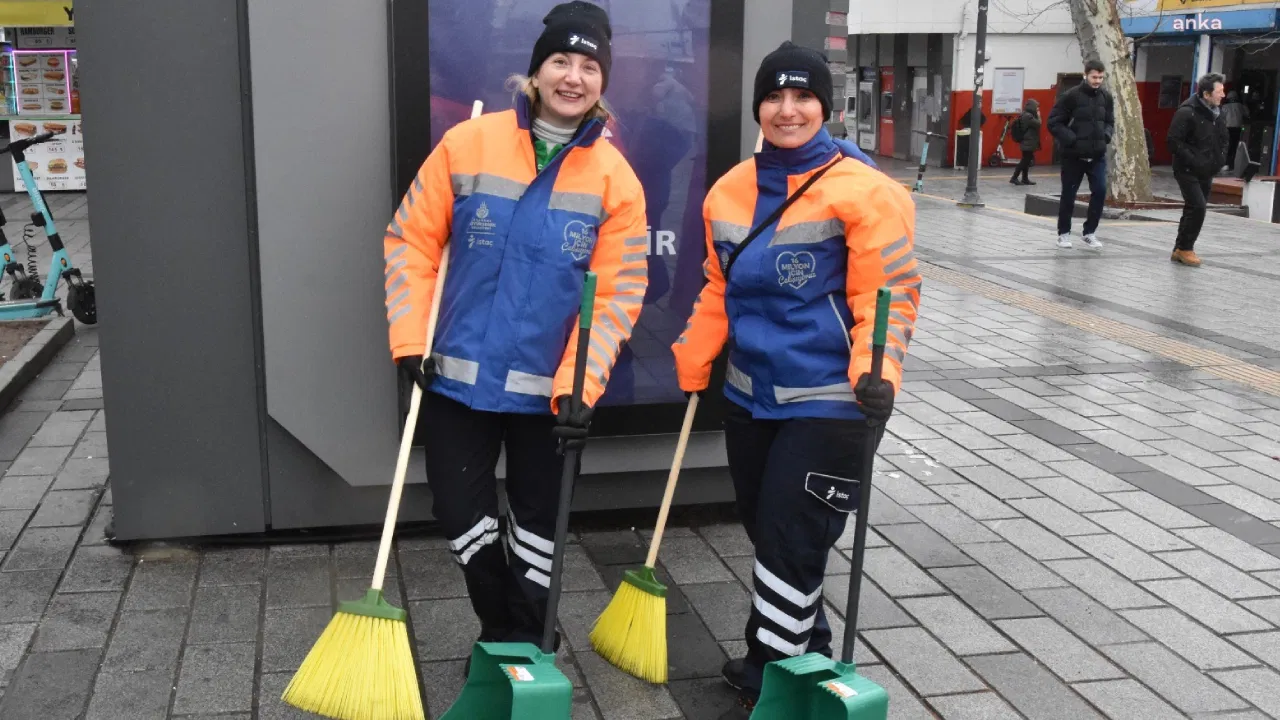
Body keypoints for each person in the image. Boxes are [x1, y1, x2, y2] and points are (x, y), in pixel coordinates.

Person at [382, 0, 648, 665]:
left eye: (589, 66)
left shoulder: (616, 178)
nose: (573, 76)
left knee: (537, 529)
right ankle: (508, 623)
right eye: (561, 59)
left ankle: (526, 650)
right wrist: (410, 338)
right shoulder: (468, 143)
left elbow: (617, 295)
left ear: (602, 82)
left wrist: (581, 386)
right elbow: (410, 242)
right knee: (460, 516)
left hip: (548, 393)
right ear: (536, 70)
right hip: (457, 378)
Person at [671, 41, 920, 717]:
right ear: (759, 107)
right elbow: (718, 286)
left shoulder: (869, 192)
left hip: (834, 401)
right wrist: (696, 352)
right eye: (774, 97)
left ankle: (773, 676)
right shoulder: (729, 190)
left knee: (790, 535)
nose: (788, 110)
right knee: (766, 525)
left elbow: (890, 295)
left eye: (803, 96)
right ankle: (804, 646)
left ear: (826, 107)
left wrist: (880, 369)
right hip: (752, 396)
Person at [1048, 58, 1113, 250]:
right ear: (1086, 75)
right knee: (1069, 194)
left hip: (1097, 155)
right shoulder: (1071, 96)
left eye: (1101, 77)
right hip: (1073, 156)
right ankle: (1064, 234)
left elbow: (1110, 121)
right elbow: (1053, 122)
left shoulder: (1106, 97)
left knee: (1100, 191)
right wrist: (1072, 139)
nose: (1097, 81)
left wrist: (1106, 136)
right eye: (1094, 77)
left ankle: (1090, 232)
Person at [1167, 73, 1228, 268]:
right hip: (1186, 169)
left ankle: (1179, 248)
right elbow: (1173, 142)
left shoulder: (1219, 113)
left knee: (1192, 208)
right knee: (1198, 207)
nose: (1223, 95)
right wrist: (1194, 160)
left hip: (1207, 169)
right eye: (1219, 92)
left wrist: (1219, 160)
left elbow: (1223, 139)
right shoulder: (1187, 112)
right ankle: (1186, 248)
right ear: (1206, 94)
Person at [1010, 98, 1041, 185]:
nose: (1037, 109)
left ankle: (1025, 178)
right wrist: (1038, 115)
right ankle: (1014, 177)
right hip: (1028, 142)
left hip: (1027, 141)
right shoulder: (1028, 116)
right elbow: (1039, 124)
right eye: (1037, 107)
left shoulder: (1025, 114)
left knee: (1026, 160)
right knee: (1025, 161)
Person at [1221, 90, 1249, 172]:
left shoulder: (1225, 106)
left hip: (1227, 128)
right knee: (1235, 147)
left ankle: (1226, 164)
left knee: (1227, 146)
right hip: (1237, 129)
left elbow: (1221, 117)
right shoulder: (1240, 106)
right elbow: (1247, 114)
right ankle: (1232, 164)